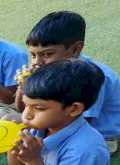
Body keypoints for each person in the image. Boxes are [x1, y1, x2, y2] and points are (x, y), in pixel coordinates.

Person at [22, 11, 120, 153]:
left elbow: (82, 123)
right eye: (32, 55)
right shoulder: (54, 69)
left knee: (41, 149)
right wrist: (24, 87)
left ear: (75, 49)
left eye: (47, 54)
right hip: (63, 119)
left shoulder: (90, 77)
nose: (37, 62)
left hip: (97, 134)